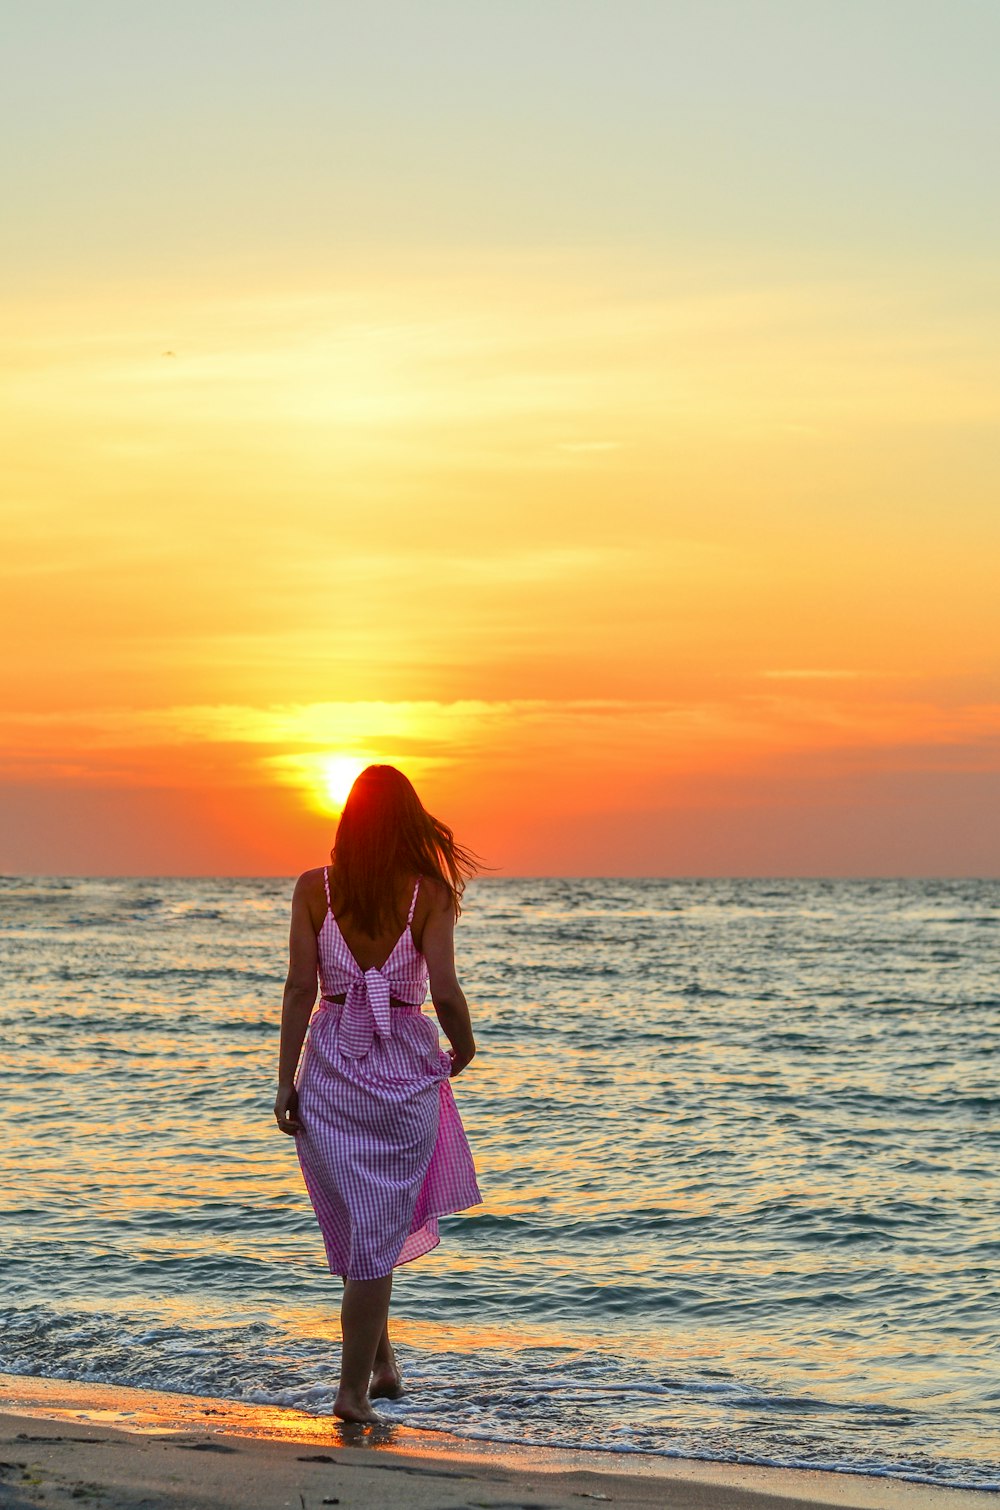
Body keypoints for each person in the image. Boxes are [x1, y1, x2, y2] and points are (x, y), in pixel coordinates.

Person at [273, 764, 482, 1423]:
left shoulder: (314, 889)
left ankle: (382, 1365)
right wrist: (465, 1046)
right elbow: (444, 991)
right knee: (373, 1231)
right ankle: (352, 1393)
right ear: (408, 823)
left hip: (331, 1067)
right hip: (401, 1078)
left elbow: (299, 990)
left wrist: (284, 1080)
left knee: (368, 1228)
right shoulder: (430, 894)